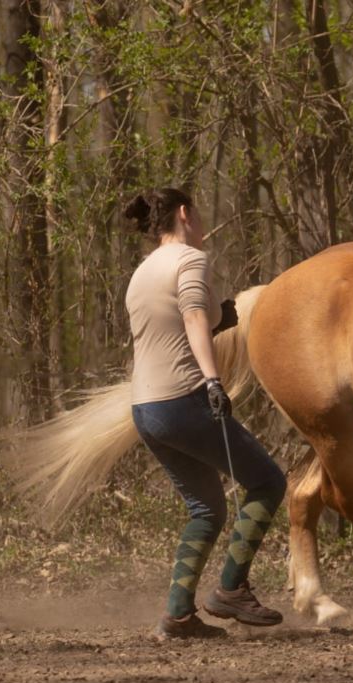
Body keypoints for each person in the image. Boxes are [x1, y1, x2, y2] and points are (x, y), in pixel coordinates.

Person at [123, 187, 287, 640]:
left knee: (206, 510)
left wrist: (223, 317)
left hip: (146, 410)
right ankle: (231, 590)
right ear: (184, 213)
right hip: (184, 399)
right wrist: (214, 381)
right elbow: (194, 317)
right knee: (268, 481)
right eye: (198, 213)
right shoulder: (190, 260)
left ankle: (177, 616)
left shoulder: (143, 272)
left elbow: (179, 322)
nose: (201, 223)